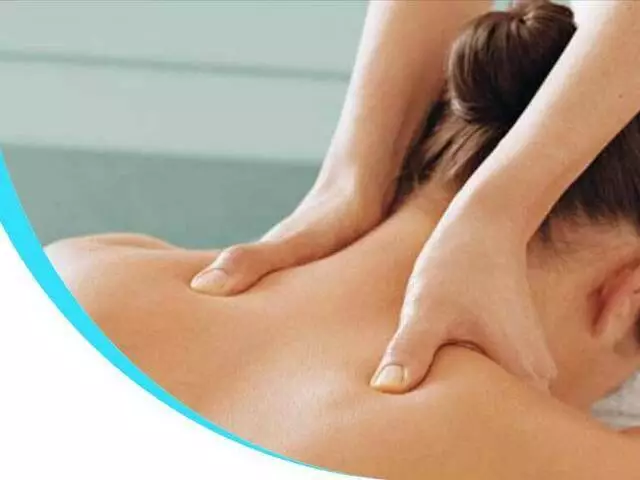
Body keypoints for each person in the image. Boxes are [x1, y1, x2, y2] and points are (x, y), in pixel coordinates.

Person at [47, 3, 640, 478]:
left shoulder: (82, 275)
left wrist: (354, 180)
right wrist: (491, 215)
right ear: (627, 297)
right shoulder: (540, 455)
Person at [190, 0, 640, 394]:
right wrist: (354, 185)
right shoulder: (569, 447)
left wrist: (355, 180)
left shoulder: (150, 277)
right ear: (628, 298)